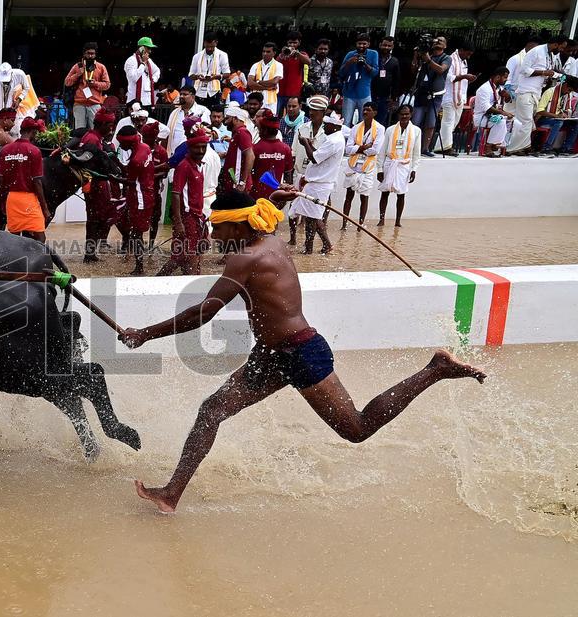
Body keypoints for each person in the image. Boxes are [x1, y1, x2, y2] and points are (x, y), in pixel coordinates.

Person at [123, 190, 486, 514]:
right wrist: (274, 197)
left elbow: (203, 312)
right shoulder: (272, 240)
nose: (213, 236)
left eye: (218, 228)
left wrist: (144, 334)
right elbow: (261, 208)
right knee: (211, 411)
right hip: (270, 355)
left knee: (357, 429)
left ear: (237, 227)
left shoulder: (245, 258)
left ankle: (436, 369)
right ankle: (172, 493)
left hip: (300, 353)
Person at [157, 126, 210, 276]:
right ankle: (157, 280)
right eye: (197, 148)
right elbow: (175, 194)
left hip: (197, 217)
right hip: (187, 218)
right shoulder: (184, 166)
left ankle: (191, 281)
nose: (200, 151)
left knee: (193, 253)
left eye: (203, 147)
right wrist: (179, 222)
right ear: (189, 148)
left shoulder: (199, 166)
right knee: (182, 255)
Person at [506, 35, 569, 155]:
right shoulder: (537, 51)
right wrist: (544, 72)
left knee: (528, 122)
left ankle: (523, 147)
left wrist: (555, 75)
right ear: (556, 44)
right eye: (562, 47)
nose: (562, 50)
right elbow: (524, 70)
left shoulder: (550, 54)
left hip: (536, 92)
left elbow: (546, 72)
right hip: (526, 91)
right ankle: (514, 148)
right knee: (525, 121)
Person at [295, 112, 345, 254]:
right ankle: (309, 247)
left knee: (314, 217)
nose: (323, 127)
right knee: (311, 217)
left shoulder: (333, 141)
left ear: (334, 126)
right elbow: (319, 155)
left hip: (320, 184)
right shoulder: (334, 138)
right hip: (318, 182)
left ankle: (325, 245)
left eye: (326, 125)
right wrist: (310, 144)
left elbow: (314, 158)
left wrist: (305, 143)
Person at [0, 116, 52, 243]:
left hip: (12, 199)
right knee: (40, 238)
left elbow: (0, 180)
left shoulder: (6, 150)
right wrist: (45, 208)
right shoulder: (34, 151)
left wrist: (2, 202)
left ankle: (16, 262)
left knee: (14, 239)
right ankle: (35, 262)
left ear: (21, 131)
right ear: (33, 132)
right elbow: (37, 182)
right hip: (28, 200)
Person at [115, 125, 156, 274]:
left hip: (139, 198)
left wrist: (115, 177)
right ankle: (138, 261)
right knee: (135, 230)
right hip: (148, 194)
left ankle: (139, 267)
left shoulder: (136, 160)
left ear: (130, 142)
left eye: (122, 142)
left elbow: (130, 180)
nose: (121, 145)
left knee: (136, 233)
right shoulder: (145, 147)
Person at [341, 102, 384, 229]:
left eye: (368, 110)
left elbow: (375, 150)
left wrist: (358, 149)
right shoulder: (355, 128)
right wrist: (363, 147)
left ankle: (360, 225)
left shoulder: (380, 129)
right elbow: (348, 149)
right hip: (353, 165)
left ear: (374, 113)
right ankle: (344, 224)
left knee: (364, 196)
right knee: (349, 195)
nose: (365, 112)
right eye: (364, 110)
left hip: (368, 167)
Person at [80, 108, 116, 262]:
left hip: (96, 183)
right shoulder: (92, 139)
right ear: (101, 124)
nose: (111, 128)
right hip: (95, 184)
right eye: (109, 124)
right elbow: (89, 165)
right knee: (95, 219)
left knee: (97, 218)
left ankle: (91, 252)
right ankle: (89, 254)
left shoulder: (94, 137)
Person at [378, 105, 422, 227]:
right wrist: (379, 169)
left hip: (404, 165)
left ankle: (397, 221)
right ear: (398, 115)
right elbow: (382, 151)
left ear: (411, 115)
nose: (404, 116)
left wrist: (414, 169)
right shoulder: (390, 130)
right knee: (385, 192)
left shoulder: (416, 131)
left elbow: (416, 153)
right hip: (390, 162)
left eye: (406, 114)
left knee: (401, 194)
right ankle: (381, 219)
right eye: (402, 114)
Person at [410, 37, 450, 156]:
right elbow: (414, 70)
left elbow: (441, 70)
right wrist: (416, 56)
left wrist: (428, 60)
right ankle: (411, 147)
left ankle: (425, 149)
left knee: (431, 122)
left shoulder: (446, 58)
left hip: (436, 94)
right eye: (436, 41)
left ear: (445, 46)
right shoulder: (427, 55)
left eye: (441, 41)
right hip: (421, 92)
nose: (438, 42)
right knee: (416, 121)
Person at [435, 42, 475, 156]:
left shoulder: (463, 61)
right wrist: (465, 76)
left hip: (460, 97)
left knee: (454, 123)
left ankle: (440, 146)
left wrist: (468, 78)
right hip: (449, 96)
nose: (468, 56)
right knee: (448, 122)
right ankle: (447, 147)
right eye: (468, 53)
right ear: (461, 50)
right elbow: (448, 77)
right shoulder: (450, 59)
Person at [65, 42, 111, 130]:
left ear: (95, 54)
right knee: (79, 131)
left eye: (92, 54)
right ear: (84, 54)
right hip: (79, 103)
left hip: (95, 103)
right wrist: (78, 74)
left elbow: (107, 84)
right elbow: (67, 82)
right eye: (88, 53)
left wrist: (95, 84)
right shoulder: (77, 66)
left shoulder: (101, 67)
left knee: (95, 130)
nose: (90, 56)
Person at [250, 114, 294, 203]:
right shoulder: (285, 148)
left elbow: (248, 172)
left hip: (256, 196)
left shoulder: (255, 148)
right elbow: (288, 174)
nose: (258, 132)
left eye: (260, 129)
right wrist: (286, 193)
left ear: (264, 130)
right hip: (276, 196)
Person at [139, 121, 169, 250]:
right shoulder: (139, 149)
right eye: (143, 136)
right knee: (138, 220)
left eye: (146, 137)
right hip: (139, 192)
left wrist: (148, 173)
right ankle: (137, 245)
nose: (144, 139)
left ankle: (151, 245)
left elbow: (165, 171)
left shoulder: (161, 152)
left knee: (155, 219)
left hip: (155, 192)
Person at [338, 33, 379, 127]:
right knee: (346, 122)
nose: (361, 46)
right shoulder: (350, 54)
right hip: (349, 93)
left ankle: (361, 141)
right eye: (359, 43)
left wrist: (365, 64)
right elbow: (341, 73)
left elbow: (375, 73)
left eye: (364, 44)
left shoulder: (373, 54)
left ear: (368, 44)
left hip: (364, 93)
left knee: (365, 121)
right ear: (356, 44)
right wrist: (349, 62)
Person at [472, 67, 512, 158]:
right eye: (505, 78)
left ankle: (499, 145)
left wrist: (507, 95)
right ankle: (488, 147)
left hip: (493, 116)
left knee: (515, 122)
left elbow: (508, 101)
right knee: (500, 121)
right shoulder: (484, 89)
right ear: (498, 77)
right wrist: (503, 113)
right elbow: (487, 108)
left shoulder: (500, 88)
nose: (506, 80)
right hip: (482, 116)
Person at [534, 75, 578, 157]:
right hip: (543, 119)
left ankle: (566, 149)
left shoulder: (567, 95)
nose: (569, 92)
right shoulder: (550, 92)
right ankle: (546, 148)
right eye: (569, 90)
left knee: (575, 123)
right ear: (565, 85)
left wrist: (565, 114)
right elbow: (540, 111)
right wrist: (556, 116)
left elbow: (567, 109)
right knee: (558, 122)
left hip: (556, 119)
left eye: (571, 91)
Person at [164, 85, 210, 156]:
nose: (181, 96)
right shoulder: (175, 112)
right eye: (181, 94)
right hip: (174, 153)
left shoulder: (202, 111)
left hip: (193, 154)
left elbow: (206, 132)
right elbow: (167, 133)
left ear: (193, 96)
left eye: (185, 94)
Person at [188, 33, 230, 109]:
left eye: (212, 46)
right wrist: (197, 76)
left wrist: (215, 77)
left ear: (216, 43)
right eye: (207, 46)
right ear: (204, 43)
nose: (209, 49)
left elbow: (227, 74)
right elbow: (191, 75)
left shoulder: (222, 55)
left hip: (213, 91)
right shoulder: (197, 56)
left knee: (213, 114)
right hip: (199, 91)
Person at [219, 105, 255, 194]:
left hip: (237, 183)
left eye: (227, 118)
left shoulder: (242, 132)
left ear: (235, 119)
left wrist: (243, 182)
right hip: (233, 182)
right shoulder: (236, 133)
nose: (225, 122)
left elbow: (250, 156)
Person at [0, 62, 30, 135]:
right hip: (2, 116)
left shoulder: (19, 74)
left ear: (11, 73)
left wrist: (19, 99)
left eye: (7, 81)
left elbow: (26, 88)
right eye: (4, 82)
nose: (5, 84)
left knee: (17, 132)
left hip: (15, 111)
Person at [276, 32, 309, 116]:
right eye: (290, 42)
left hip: (294, 92)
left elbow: (308, 62)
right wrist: (282, 55)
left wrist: (297, 53)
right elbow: (275, 65)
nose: (292, 45)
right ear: (287, 43)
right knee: (277, 115)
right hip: (280, 91)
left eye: (295, 43)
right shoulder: (282, 54)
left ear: (299, 43)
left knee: (292, 115)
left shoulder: (302, 54)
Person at [124, 36, 161, 109]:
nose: (150, 51)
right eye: (148, 48)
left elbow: (157, 71)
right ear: (141, 48)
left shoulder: (149, 60)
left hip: (147, 101)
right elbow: (134, 78)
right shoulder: (131, 60)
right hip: (134, 100)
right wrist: (143, 64)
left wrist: (153, 80)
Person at [247, 43, 284, 114]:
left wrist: (258, 82)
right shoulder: (256, 65)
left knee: (269, 121)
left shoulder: (278, 65)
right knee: (254, 120)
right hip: (256, 100)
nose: (265, 53)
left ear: (274, 53)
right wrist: (267, 87)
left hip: (270, 101)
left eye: (268, 52)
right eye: (263, 51)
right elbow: (250, 83)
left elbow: (274, 82)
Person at [371, 36, 400, 126]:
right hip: (371, 94)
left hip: (385, 97)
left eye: (389, 46)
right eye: (384, 45)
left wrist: (393, 98)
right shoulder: (374, 58)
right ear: (380, 45)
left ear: (392, 47)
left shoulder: (394, 61)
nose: (386, 47)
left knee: (380, 122)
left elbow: (396, 80)